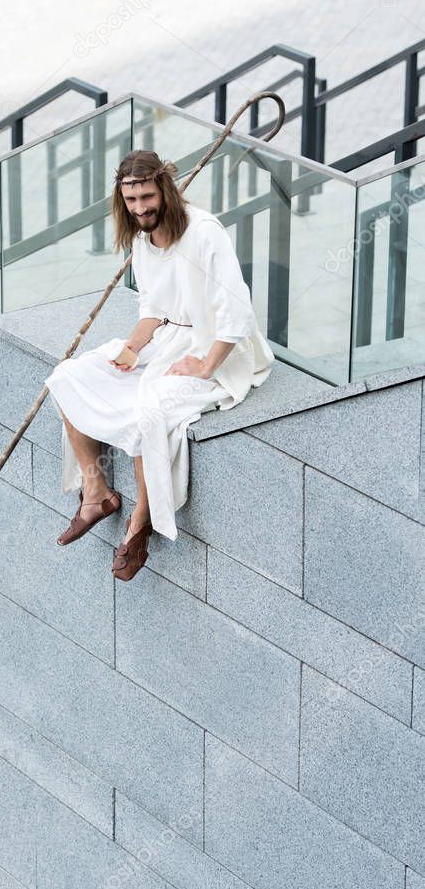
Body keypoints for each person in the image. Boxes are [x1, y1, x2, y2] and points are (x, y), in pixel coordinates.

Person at [44, 149, 275, 581]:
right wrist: (131, 350)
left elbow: (237, 311)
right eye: (131, 201)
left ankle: (140, 525)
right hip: (167, 339)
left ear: (164, 189)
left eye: (146, 198)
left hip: (219, 348)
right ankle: (97, 493)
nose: (140, 209)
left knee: (149, 411)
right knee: (69, 376)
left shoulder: (204, 232)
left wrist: (206, 365)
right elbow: (152, 307)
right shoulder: (141, 239)